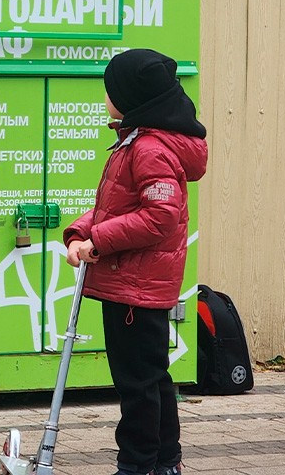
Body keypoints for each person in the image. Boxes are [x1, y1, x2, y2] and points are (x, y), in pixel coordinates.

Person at [63, 48, 207, 475]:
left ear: (131, 95)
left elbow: (159, 216)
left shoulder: (148, 148)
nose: (106, 96)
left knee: (138, 384)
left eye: (111, 89)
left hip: (136, 287)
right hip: (136, 283)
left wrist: (98, 244)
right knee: (152, 379)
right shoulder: (138, 140)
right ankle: (164, 462)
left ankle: (138, 464)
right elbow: (118, 206)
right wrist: (80, 231)